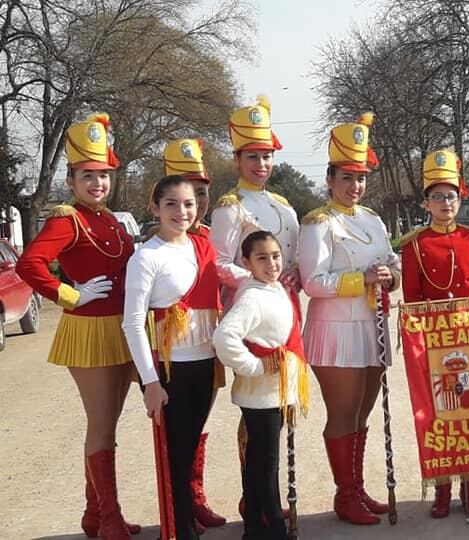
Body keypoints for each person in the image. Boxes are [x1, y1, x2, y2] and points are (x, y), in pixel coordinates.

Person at [15, 113, 141, 539]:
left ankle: (96, 514)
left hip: (121, 330)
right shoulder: (66, 219)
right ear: (71, 180)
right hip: (89, 332)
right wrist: (71, 293)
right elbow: (28, 264)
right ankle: (108, 518)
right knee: (102, 425)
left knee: (110, 423)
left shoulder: (109, 219)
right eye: (88, 176)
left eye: (103, 176)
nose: (97, 184)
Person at [298, 112, 400, 525]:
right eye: (346, 178)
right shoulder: (318, 223)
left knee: (363, 413)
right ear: (329, 179)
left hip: (372, 326)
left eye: (360, 178)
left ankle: (357, 487)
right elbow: (313, 282)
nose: (354, 186)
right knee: (343, 414)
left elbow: (391, 261)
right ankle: (345, 495)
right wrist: (362, 279)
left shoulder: (372, 219)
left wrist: (391, 275)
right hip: (335, 329)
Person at [209, 96, 300, 517]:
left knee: (278, 407)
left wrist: (289, 275)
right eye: (252, 157)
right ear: (237, 159)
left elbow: (291, 256)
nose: (261, 164)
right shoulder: (231, 207)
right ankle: (256, 499)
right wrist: (257, 280)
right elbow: (220, 262)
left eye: (266, 156)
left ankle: (268, 494)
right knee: (257, 411)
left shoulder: (282, 205)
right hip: (251, 314)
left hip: (284, 308)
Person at [398, 149, 469, 518]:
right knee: (440, 417)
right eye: (437, 196)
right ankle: (442, 490)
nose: (445, 203)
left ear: (461, 198)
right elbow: (412, 299)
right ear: (426, 202)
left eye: (451, 196)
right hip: (435, 346)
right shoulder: (415, 245)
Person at [122, 175, 220, 540]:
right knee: (175, 459)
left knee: (190, 446)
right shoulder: (146, 256)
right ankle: (179, 531)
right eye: (172, 204)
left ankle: (185, 520)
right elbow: (132, 324)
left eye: (189, 204)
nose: (182, 211)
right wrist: (150, 383)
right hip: (170, 370)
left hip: (205, 363)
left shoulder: (201, 246)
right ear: (155, 208)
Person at [213, 231, 309, 540]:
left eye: (276, 255)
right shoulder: (253, 295)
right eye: (262, 258)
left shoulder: (273, 288)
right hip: (261, 395)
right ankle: (274, 531)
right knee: (266, 467)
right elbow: (224, 337)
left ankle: (255, 527)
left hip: (275, 392)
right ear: (246, 262)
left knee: (258, 464)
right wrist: (253, 366)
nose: (272, 263)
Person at [162, 138, 227, 530]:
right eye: (186, 193)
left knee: (198, 425)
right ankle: (176, 510)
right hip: (172, 351)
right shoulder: (157, 243)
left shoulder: (207, 238)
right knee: (176, 432)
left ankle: (193, 496)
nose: (194, 201)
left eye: (201, 193)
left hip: (207, 345)